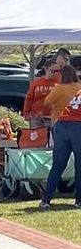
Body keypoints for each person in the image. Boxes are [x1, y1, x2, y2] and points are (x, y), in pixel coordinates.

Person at [38, 62, 81, 211]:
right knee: (79, 164)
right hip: (78, 126)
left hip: (61, 124)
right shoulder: (79, 87)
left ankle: (46, 199)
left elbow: (47, 102)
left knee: (58, 164)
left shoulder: (59, 88)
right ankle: (79, 200)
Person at [23, 56, 61, 130]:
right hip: (36, 116)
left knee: (51, 136)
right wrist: (26, 113)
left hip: (52, 117)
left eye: (58, 71)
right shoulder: (37, 83)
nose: (56, 73)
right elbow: (29, 98)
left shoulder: (60, 83)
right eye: (53, 71)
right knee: (37, 135)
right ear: (46, 69)